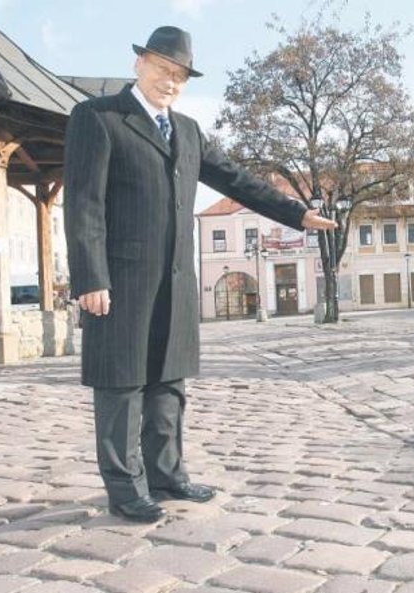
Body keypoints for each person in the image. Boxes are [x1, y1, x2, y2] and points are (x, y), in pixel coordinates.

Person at [63, 26, 336, 523]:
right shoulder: (97, 118)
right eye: (163, 69)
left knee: (169, 384)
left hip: (176, 280)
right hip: (119, 282)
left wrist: (295, 214)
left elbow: (235, 180)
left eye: (180, 76)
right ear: (138, 64)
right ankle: (125, 489)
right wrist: (89, 278)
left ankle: (167, 476)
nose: (171, 82)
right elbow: (83, 204)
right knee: (121, 386)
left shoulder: (187, 130)